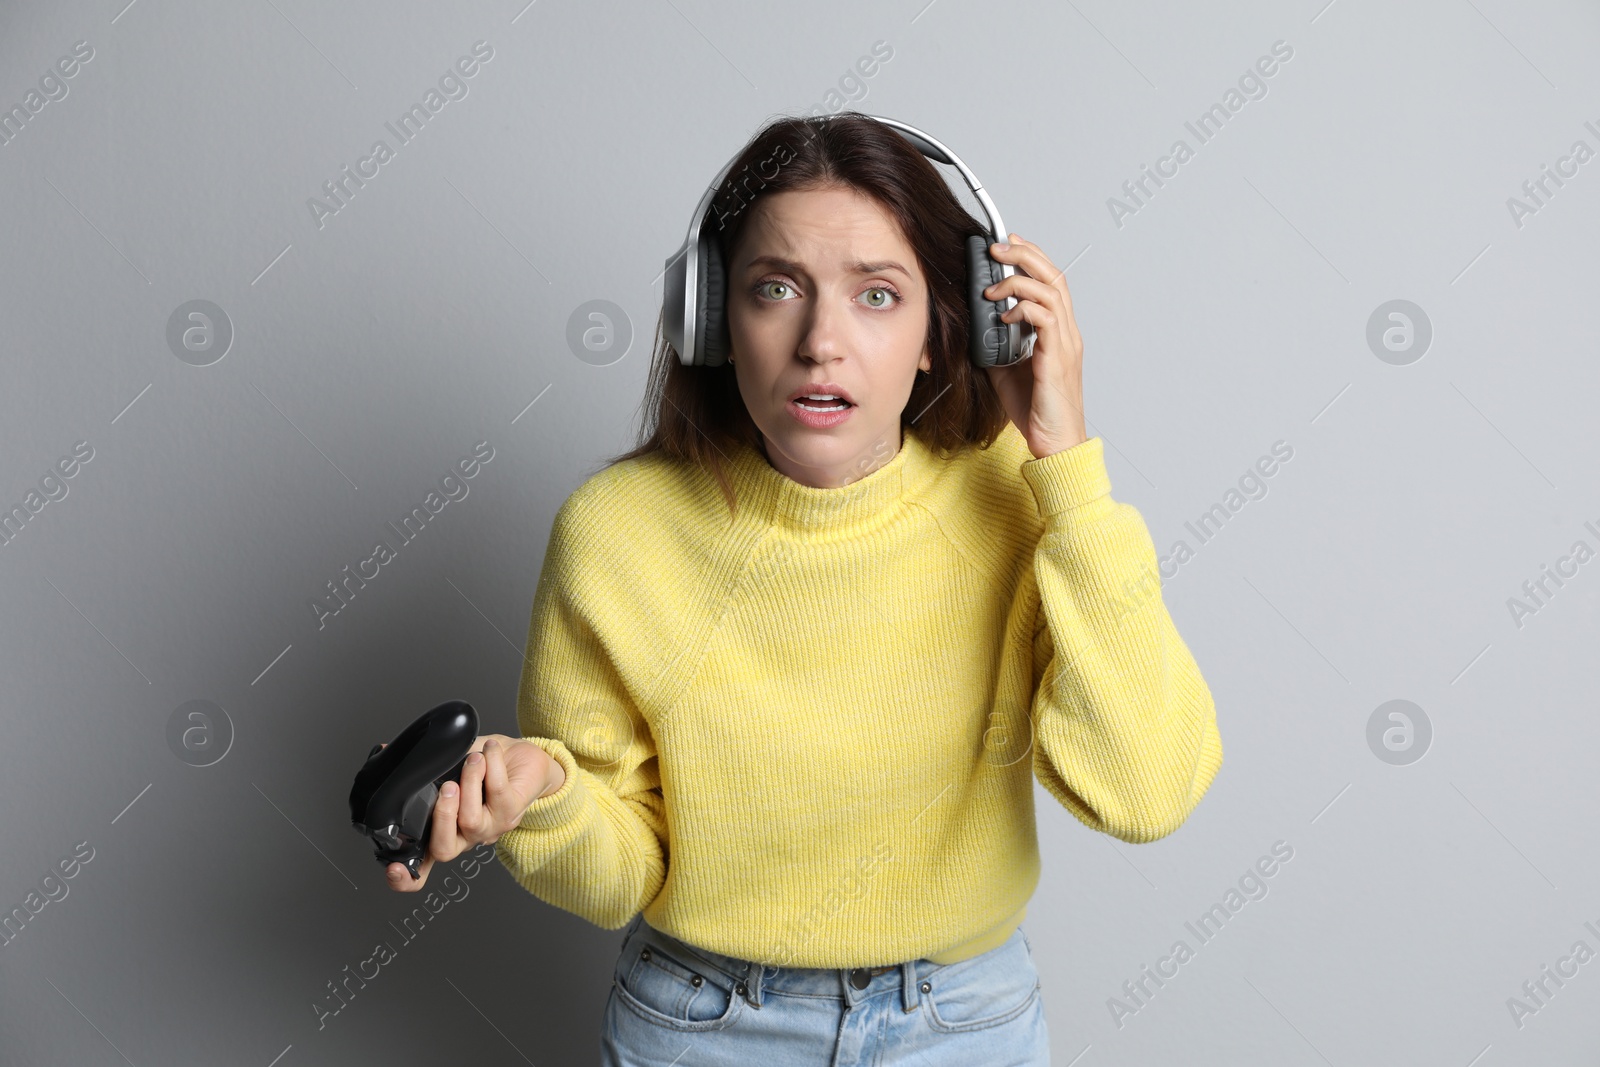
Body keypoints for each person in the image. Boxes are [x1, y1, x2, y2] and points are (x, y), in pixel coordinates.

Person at [385, 111, 1223, 1065]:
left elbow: (1147, 789)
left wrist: (1066, 465)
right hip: (703, 1025)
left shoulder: (1017, 499)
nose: (822, 340)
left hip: (961, 1025)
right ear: (710, 319)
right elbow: (623, 870)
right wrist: (546, 796)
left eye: (876, 295)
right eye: (776, 289)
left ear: (943, 333)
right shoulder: (616, 531)